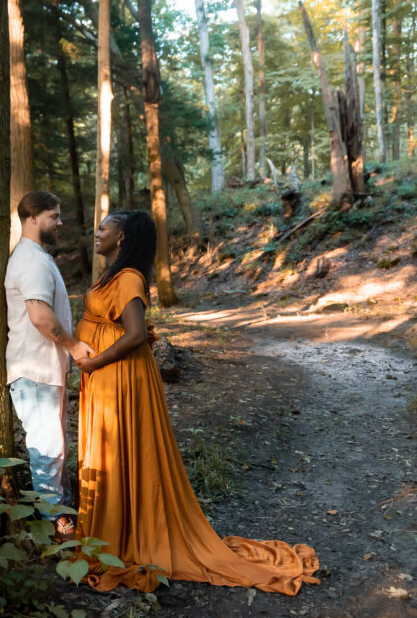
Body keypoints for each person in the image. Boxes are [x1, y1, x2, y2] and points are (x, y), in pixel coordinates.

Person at [74, 211, 320, 594]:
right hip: (108, 376)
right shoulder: (112, 276)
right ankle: (111, 530)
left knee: (124, 451)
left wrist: (94, 361)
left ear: (121, 237)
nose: (96, 233)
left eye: (103, 228)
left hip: (121, 376)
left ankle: (129, 534)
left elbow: (137, 334)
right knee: (110, 452)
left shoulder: (129, 279)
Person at [5, 191, 93, 541]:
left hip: (42, 370)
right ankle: (54, 525)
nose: (60, 223)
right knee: (47, 447)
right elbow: (41, 317)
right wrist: (73, 346)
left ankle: (62, 510)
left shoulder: (37, 257)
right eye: (54, 216)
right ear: (32, 218)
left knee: (55, 445)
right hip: (34, 369)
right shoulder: (31, 261)